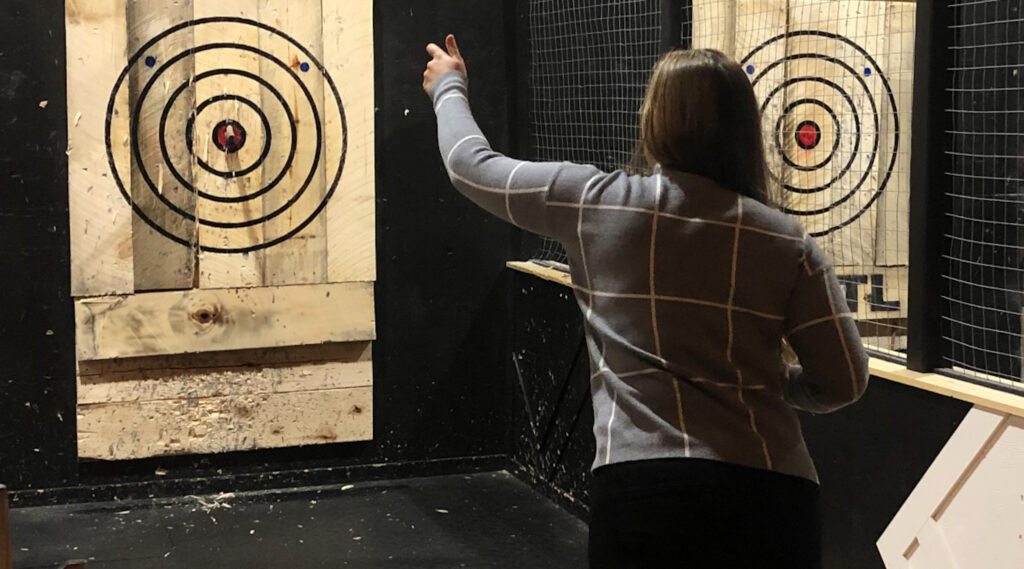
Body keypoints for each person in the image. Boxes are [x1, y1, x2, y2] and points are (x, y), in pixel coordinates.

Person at [423, 35, 868, 569]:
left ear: (655, 119)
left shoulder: (594, 201)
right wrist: (768, 378)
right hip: (773, 495)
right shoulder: (786, 240)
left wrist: (448, 84)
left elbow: (469, 164)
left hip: (644, 491)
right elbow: (843, 380)